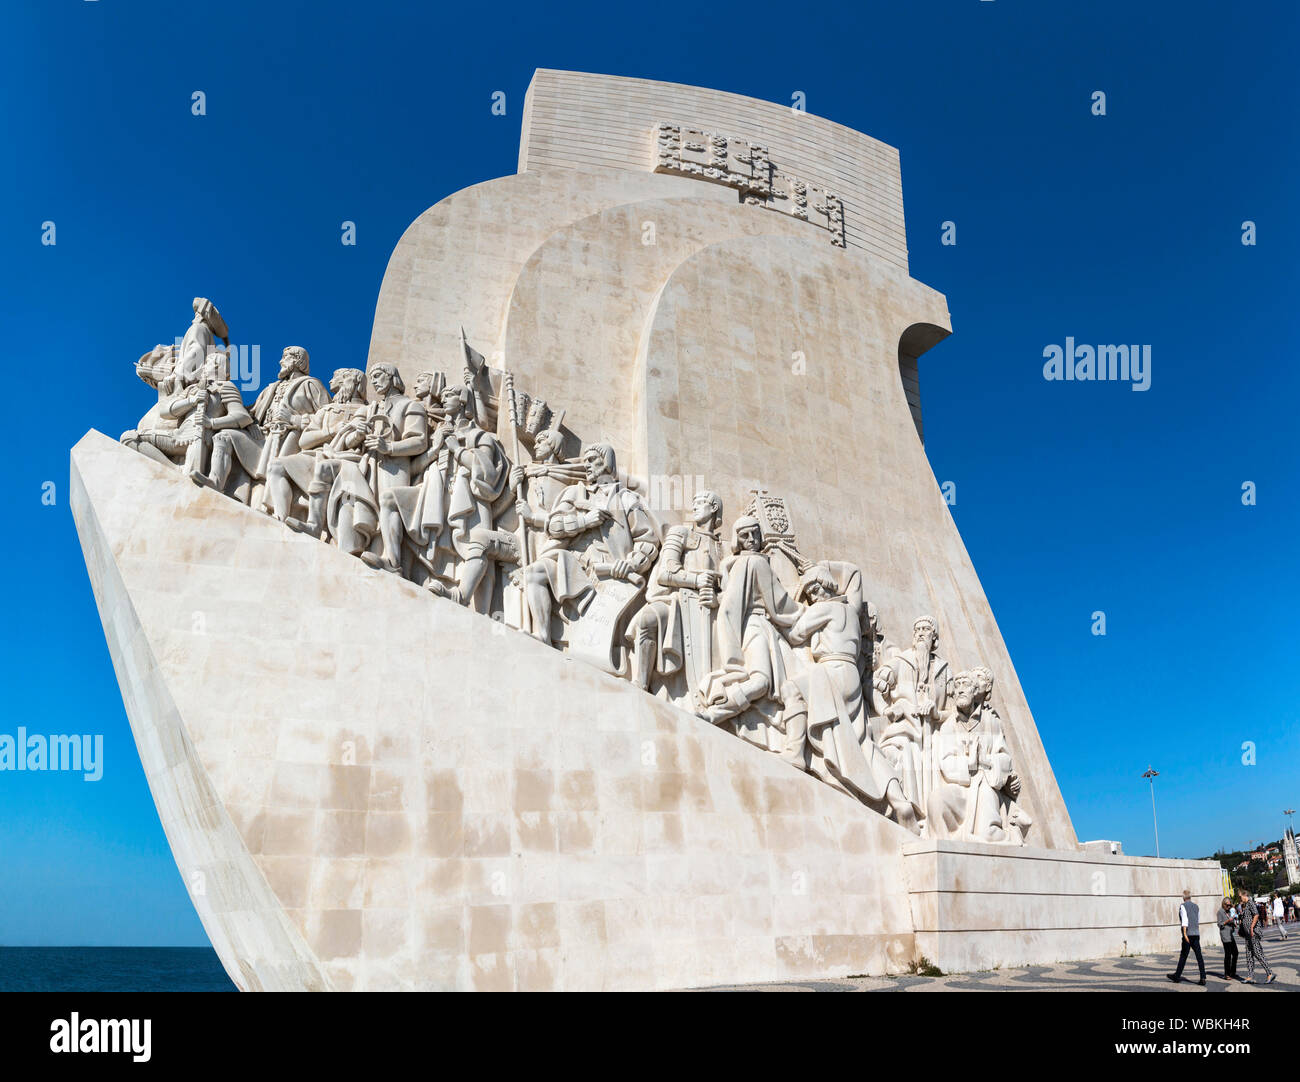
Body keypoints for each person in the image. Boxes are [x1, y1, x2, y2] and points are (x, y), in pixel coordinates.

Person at [1237, 889, 1276, 984]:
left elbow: (1256, 915)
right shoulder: (1245, 905)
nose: (1239, 898)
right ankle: (1250, 976)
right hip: (1247, 935)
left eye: (1240, 896)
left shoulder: (1250, 903)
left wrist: (1251, 927)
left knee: (1257, 953)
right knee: (1249, 955)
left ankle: (1269, 973)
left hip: (1253, 933)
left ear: (1244, 895)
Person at [1167, 889, 1206, 985]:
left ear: (1183, 897)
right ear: (1190, 897)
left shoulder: (1183, 906)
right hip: (1196, 933)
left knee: (1183, 956)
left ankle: (1177, 976)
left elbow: (1185, 920)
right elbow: (1197, 920)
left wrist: (1184, 934)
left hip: (1188, 934)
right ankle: (1203, 977)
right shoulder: (1196, 906)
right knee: (1199, 956)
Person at [1217, 898, 1239, 981]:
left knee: (1236, 953)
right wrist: (1227, 921)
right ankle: (1227, 974)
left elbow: (1230, 921)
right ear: (1223, 904)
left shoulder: (1228, 912)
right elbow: (1219, 924)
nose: (1229, 907)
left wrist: (1233, 924)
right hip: (1225, 936)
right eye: (1227, 905)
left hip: (1230, 935)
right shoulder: (1220, 912)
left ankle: (1233, 972)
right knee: (1228, 955)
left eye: (1230, 905)